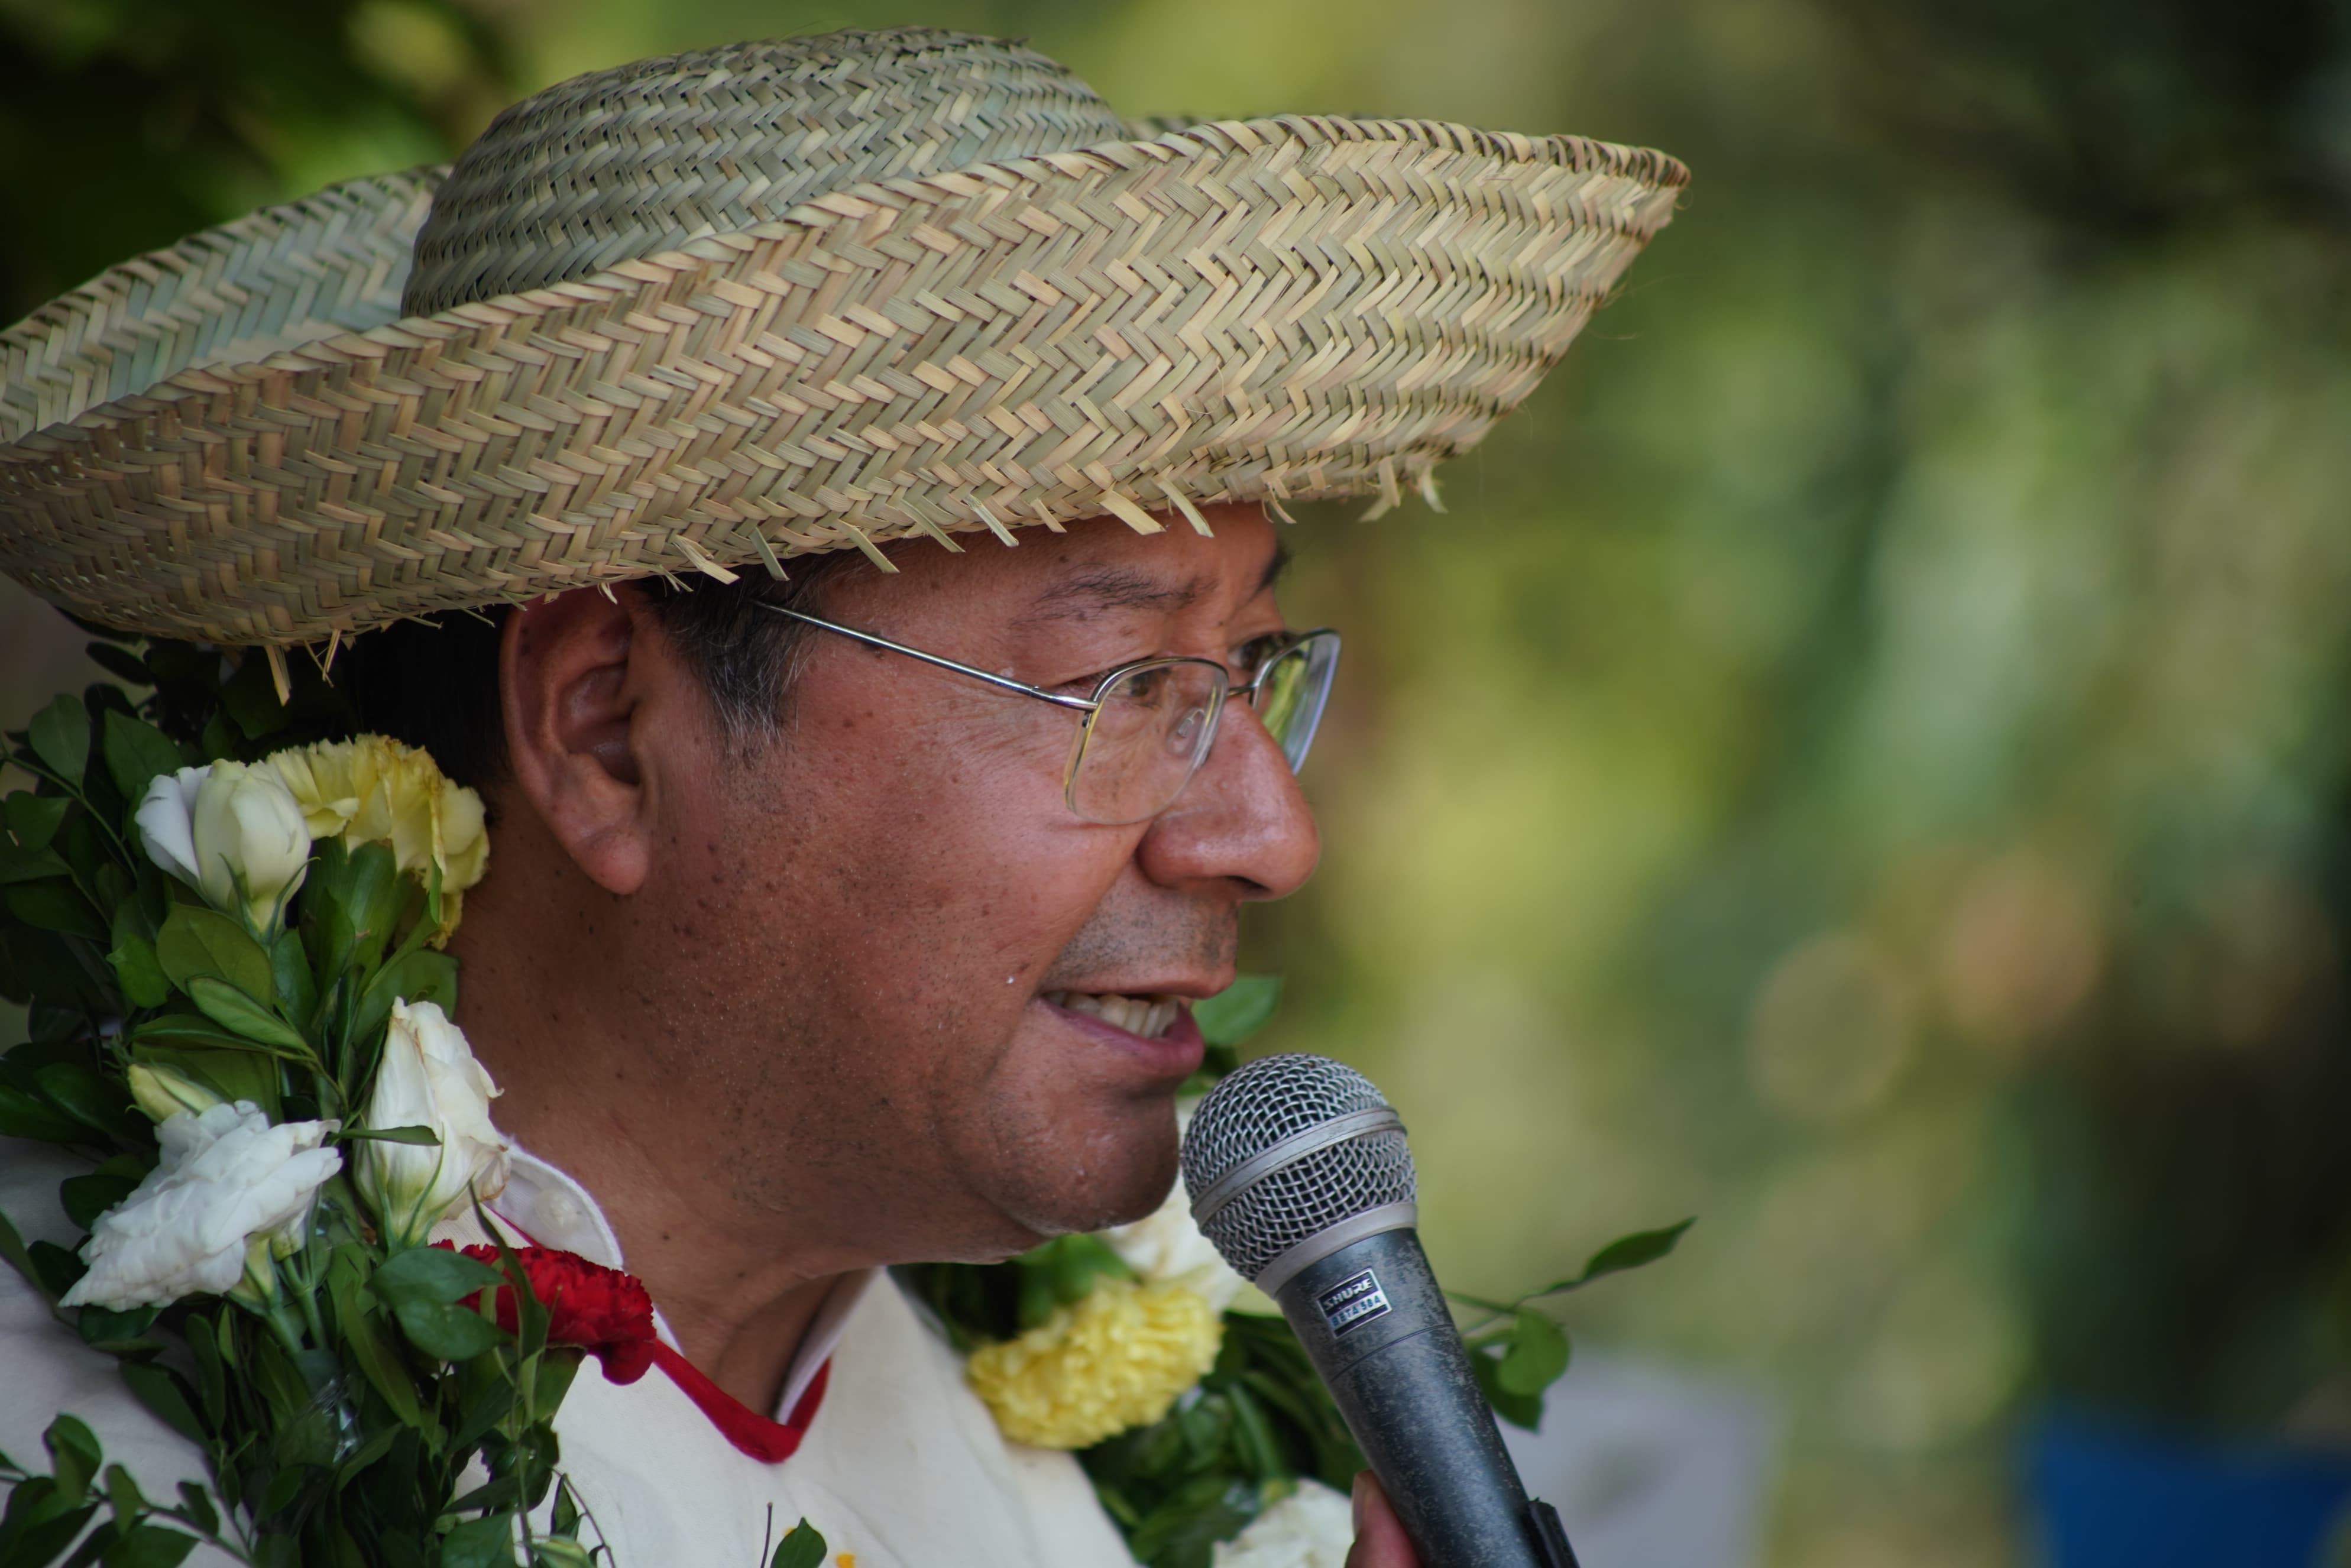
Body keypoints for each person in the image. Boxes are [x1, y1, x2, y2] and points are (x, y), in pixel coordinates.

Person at [0, 27, 1684, 1566]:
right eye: (1124, 685)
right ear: (604, 732)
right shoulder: (95, 1460)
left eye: (1245, 670)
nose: (1267, 832)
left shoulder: (1054, 1478)